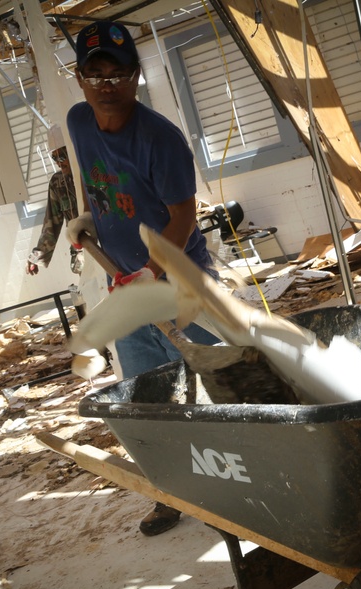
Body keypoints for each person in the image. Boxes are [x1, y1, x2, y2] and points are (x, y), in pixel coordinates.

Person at [65, 20, 220, 537]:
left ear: (135, 76)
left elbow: (183, 219)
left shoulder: (160, 139)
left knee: (216, 389)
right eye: (95, 74)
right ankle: (170, 494)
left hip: (178, 283)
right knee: (145, 399)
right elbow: (93, 177)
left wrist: (149, 272)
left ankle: (241, 487)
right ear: (81, 79)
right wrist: (88, 217)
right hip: (125, 290)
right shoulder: (79, 123)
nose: (106, 84)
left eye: (117, 73)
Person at [26, 126, 82, 278]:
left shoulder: (93, 173)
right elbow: (52, 223)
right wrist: (35, 257)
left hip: (108, 250)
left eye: (62, 157)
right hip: (82, 255)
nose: (59, 163)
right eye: (55, 158)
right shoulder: (57, 183)